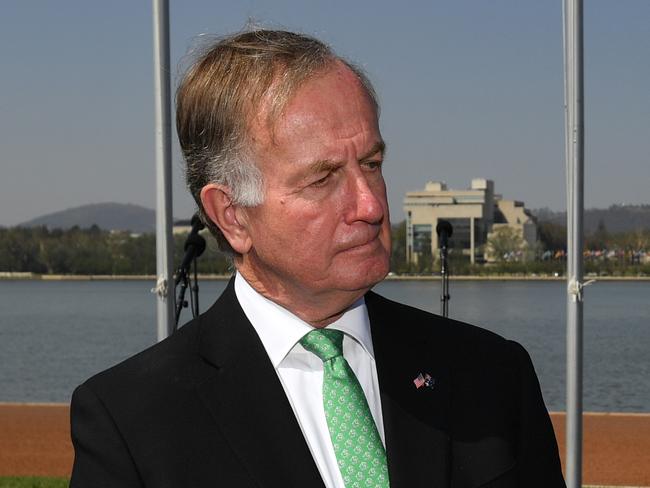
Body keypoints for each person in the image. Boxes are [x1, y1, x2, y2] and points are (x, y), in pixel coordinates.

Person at [69, 29, 565, 488]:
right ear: (233, 215)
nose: (370, 205)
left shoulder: (492, 375)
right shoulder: (131, 425)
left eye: (371, 164)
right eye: (322, 179)